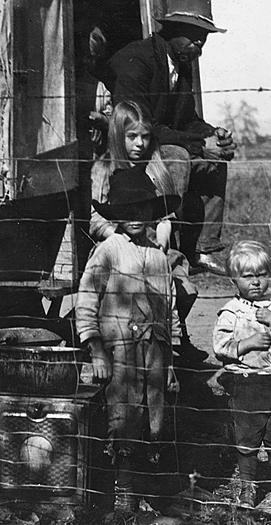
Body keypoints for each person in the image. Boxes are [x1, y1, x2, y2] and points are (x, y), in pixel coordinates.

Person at [99, 0, 236, 276]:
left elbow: (186, 119)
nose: (199, 43)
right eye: (193, 35)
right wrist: (200, 144)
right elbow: (140, 127)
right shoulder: (138, 60)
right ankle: (166, 247)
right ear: (171, 31)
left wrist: (214, 135)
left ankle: (202, 249)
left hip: (158, 141)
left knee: (214, 161)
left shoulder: (180, 64)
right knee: (178, 157)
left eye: (204, 37)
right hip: (132, 145)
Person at [75, 165, 182, 514]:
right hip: (119, 351)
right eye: (126, 211)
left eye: (142, 209)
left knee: (153, 416)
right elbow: (87, 300)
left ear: (153, 212)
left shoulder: (159, 256)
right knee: (123, 416)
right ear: (116, 215)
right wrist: (96, 351)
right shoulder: (109, 250)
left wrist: (168, 363)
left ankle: (146, 487)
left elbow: (169, 311)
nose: (135, 216)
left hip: (153, 353)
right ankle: (122, 491)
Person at [89, 100, 206, 364]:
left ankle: (168, 334)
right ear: (119, 136)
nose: (139, 144)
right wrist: (116, 237)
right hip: (117, 245)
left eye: (144, 137)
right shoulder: (104, 168)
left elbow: (165, 210)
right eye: (132, 137)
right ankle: (121, 341)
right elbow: (96, 218)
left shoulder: (154, 166)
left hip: (151, 244)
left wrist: (164, 231)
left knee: (182, 288)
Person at [212, 240, 271, 509]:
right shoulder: (231, 311)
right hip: (247, 383)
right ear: (234, 278)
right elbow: (221, 348)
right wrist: (250, 343)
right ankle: (248, 486)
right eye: (248, 276)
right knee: (248, 438)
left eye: (262, 275)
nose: (256, 282)